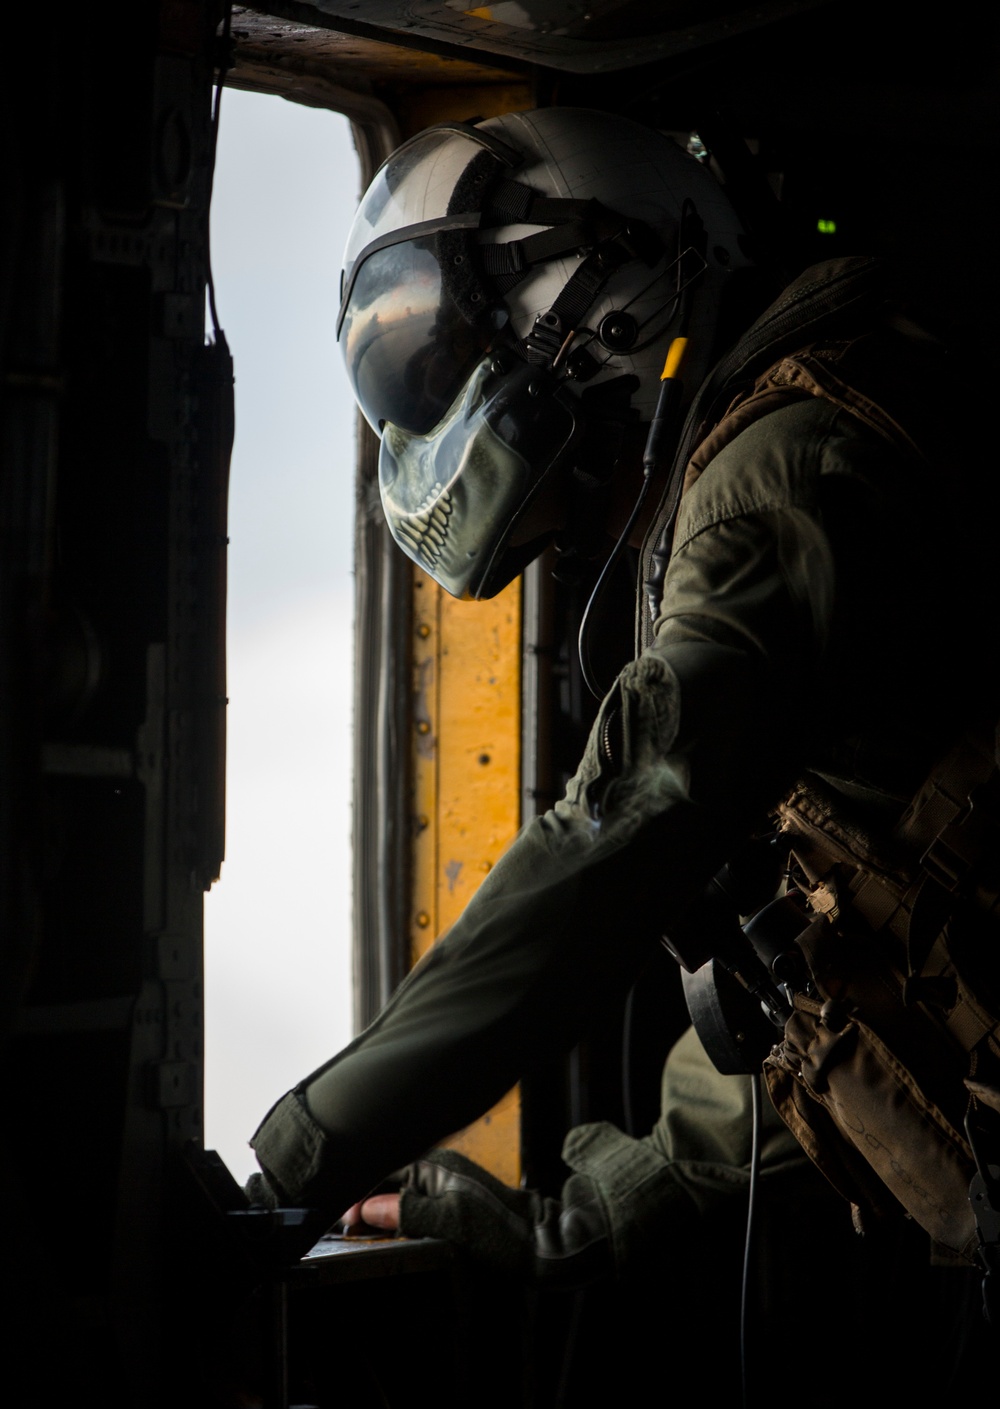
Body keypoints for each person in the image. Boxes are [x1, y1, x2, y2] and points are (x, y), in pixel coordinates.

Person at [246, 109, 997, 1304]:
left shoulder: (782, 477)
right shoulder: (799, 425)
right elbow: (844, 969)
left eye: (584, 502)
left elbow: (618, 835)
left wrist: (301, 1158)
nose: (597, 533)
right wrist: (597, 1210)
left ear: (610, 282)